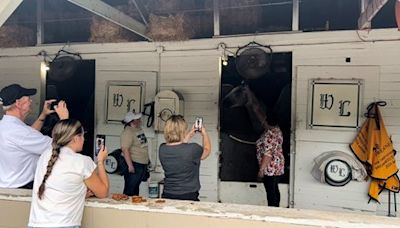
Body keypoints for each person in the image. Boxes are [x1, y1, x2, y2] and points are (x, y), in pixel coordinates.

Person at [28, 119, 109, 228]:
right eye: (83, 135)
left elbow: (58, 188)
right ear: (76, 138)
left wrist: (79, 193)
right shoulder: (82, 162)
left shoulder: (44, 156)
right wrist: (100, 161)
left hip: (35, 224)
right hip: (64, 224)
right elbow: (103, 192)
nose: (84, 139)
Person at [0, 84, 69, 189]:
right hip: (22, 188)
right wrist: (64, 120)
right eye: (28, 99)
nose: (31, 101)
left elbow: (27, 138)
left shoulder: (5, 126)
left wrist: (43, 115)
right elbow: (57, 146)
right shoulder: (20, 132)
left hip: (7, 185)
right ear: (18, 103)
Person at [159, 115, 211, 201]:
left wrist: (190, 134)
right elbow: (207, 151)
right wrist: (204, 133)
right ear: (183, 131)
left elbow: (179, 146)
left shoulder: (162, 149)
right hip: (188, 195)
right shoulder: (193, 149)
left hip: (168, 194)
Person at [256, 115, 284, 207]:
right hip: (277, 166)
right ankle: (277, 208)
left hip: (270, 167)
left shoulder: (269, 135)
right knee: (275, 189)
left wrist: (261, 170)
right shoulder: (277, 131)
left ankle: (272, 211)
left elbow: (267, 154)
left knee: (270, 192)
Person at [120, 111, 149, 196]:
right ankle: (126, 207)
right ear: (132, 121)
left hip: (141, 163)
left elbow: (143, 146)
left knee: (135, 188)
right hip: (134, 163)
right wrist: (130, 165)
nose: (140, 121)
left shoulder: (138, 130)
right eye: (138, 119)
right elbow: (125, 149)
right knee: (130, 189)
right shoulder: (128, 132)